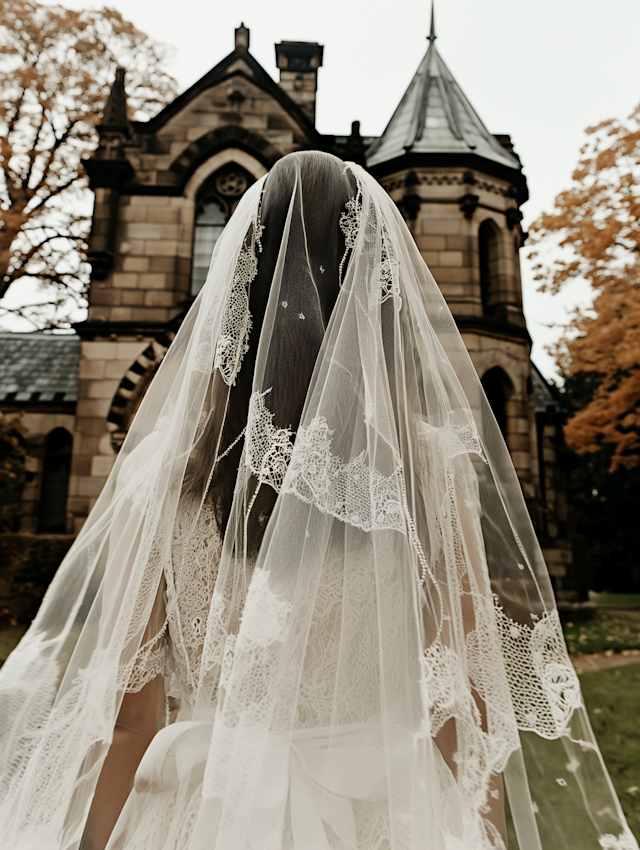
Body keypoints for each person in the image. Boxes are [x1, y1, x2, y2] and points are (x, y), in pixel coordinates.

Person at [0, 151, 635, 850]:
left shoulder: (166, 471)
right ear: (375, 289)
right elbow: (465, 698)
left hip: (204, 817)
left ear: (238, 288)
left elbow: (128, 713)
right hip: (385, 818)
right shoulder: (427, 466)